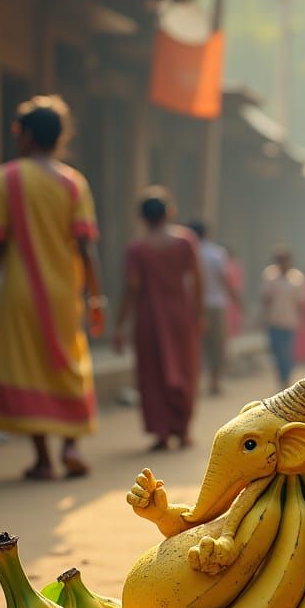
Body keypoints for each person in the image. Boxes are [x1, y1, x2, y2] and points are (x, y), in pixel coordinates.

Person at [0, 95, 104, 481]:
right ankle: (72, 445)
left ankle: (44, 458)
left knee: (25, 365)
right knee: (69, 363)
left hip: (20, 293)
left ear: (26, 134)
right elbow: (85, 246)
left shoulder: (6, 178)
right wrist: (96, 296)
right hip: (65, 292)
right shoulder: (74, 182)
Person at [113, 188, 202, 450]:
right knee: (186, 370)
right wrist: (199, 313)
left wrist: (119, 324)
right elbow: (197, 281)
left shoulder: (137, 248)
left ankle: (162, 432)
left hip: (149, 317)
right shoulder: (186, 241)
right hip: (180, 315)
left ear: (141, 217)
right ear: (170, 212)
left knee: (153, 374)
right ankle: (182, 430)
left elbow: (132, 287)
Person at [188, 221, 240, 396]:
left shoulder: (186, 252)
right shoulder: (216, 253)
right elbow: (224, 279)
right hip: (216, 304)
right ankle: (214, 383)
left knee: (195, 345)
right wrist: (236, 299)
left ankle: (195, 384)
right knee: (217, 344)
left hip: (192, 305)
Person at [260, 248, 305, 388]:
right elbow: (265, 298)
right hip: (274, 320)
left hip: (290, 321)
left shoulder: (297, 278)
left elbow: (301, 302)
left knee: (287, 351)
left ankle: (285, 378)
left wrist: (302, 319)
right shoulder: (270, 276)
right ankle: (280, 377)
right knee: (275, 351)